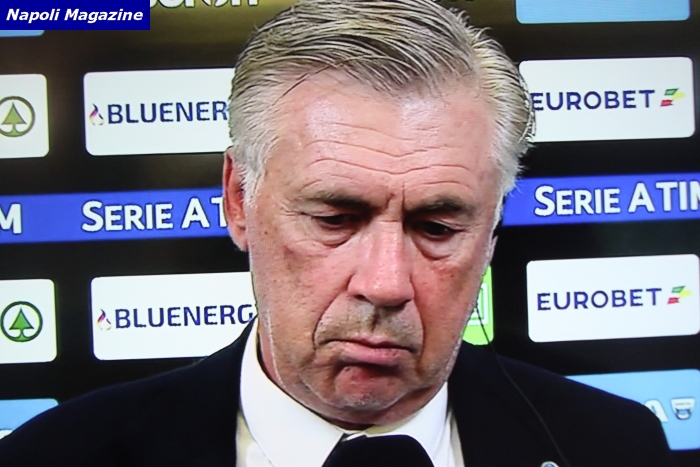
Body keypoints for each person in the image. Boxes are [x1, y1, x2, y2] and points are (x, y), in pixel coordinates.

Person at [0, 1, 675, 466]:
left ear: (493, 227)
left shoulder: (614, 446)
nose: (385, 284)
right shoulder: (54, 456)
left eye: (437, 226)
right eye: (335, 219)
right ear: (238, 200)